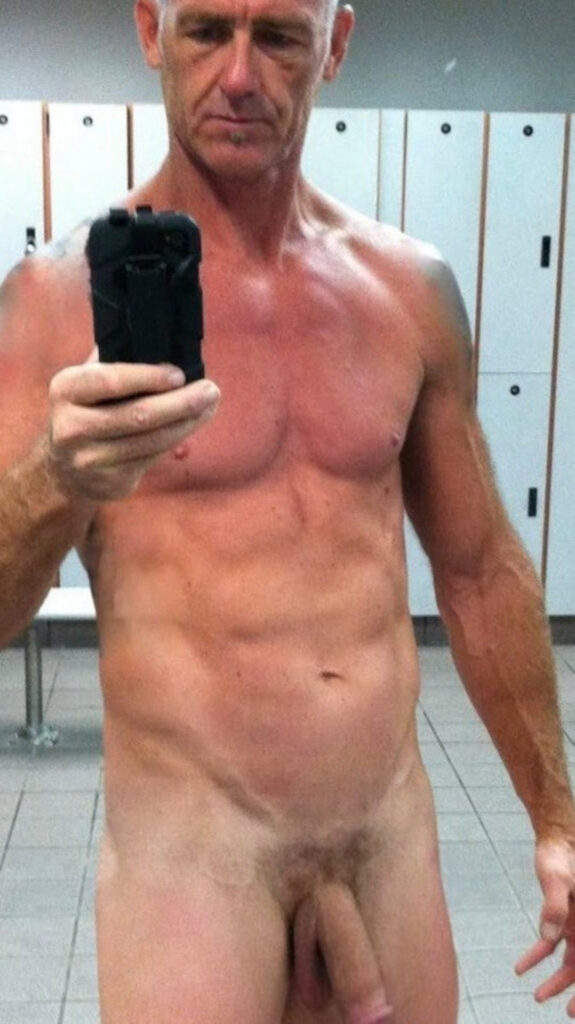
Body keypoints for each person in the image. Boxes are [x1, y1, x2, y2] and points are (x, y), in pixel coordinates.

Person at [0, 0, 574, 1021]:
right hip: (194, 862)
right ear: (149, 30)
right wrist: (58, 477)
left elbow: (480, 570)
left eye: (276, 38)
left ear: (335, 46)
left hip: (386, 839)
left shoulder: (408, 289)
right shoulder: (50, 302)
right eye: (204, 31)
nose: (237, 77)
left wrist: (555, 822)